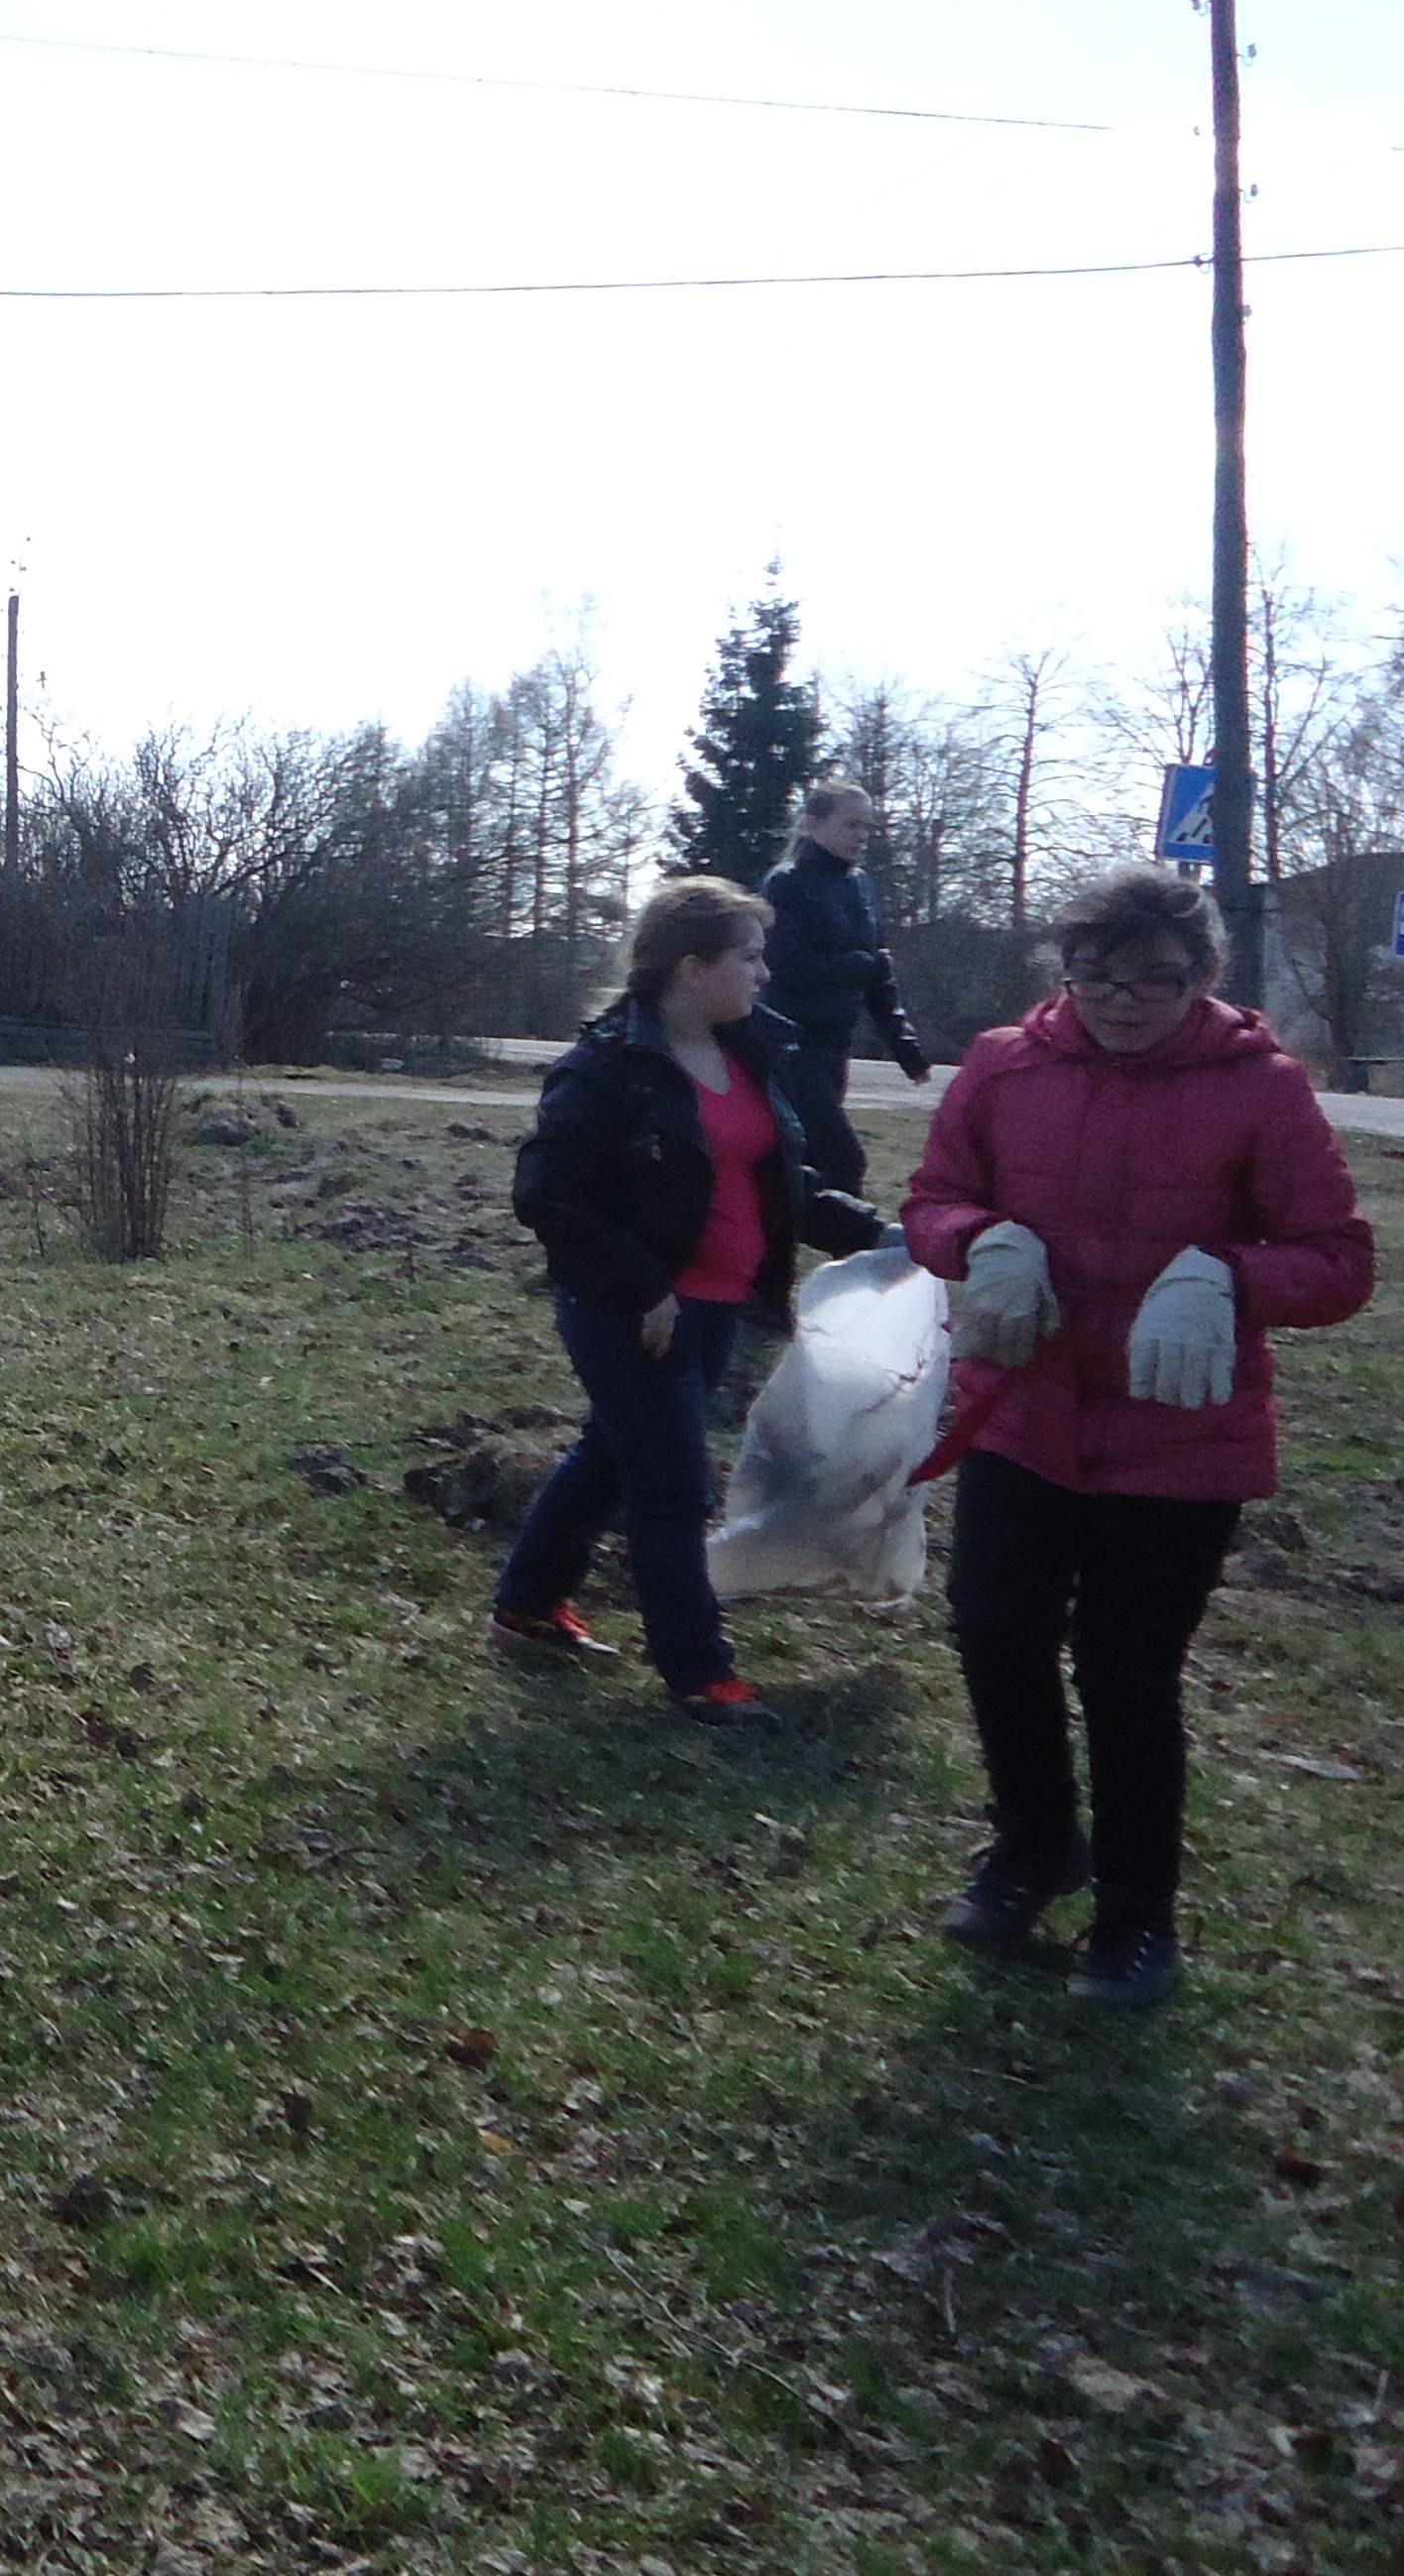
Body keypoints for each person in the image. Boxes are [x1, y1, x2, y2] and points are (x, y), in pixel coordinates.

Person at [899, 863, 1373, 2008]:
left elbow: (1342, 1262)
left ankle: (1136, 1918)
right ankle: (1031, 1848)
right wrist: (979, 1241)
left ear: (1204, 974)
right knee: (995, 1630)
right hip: (1024, 1409)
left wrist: (1230, 1274)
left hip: (1178, 1434)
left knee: (1125, 1670)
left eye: (1153, 980)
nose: (1119, 1001)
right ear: (1065, 970)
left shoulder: (1263, 1089)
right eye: (1095, 975)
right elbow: (930, 1201)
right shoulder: (1007, 1065)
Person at [496, 874, 886, 1719]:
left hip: (721, 1303)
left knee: (612, 1452)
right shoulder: (607, 1068)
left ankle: (527, 1603)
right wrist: (643, 1287)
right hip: (630, 1309)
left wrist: (876, 1234)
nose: (764, 974)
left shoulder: (748, 1052)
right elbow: (548, 1195)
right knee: (673, 1489)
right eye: (749, 958)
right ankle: (700, 1673)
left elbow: (783, 1181)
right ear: (690, 966)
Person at [762, 781, 933, 1199]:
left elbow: (879, 974)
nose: (861, 835)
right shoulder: (787, 884)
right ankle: (854, 1255)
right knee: (842, 1160)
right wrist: (859, 965)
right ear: (813, 823)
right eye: (851, 824)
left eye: (867, 827)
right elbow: (783, 965)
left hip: (834, 1047)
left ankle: (785, 1246)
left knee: (806, 1168)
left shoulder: (860, 886)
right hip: (790, 1045)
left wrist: (904, 1046)